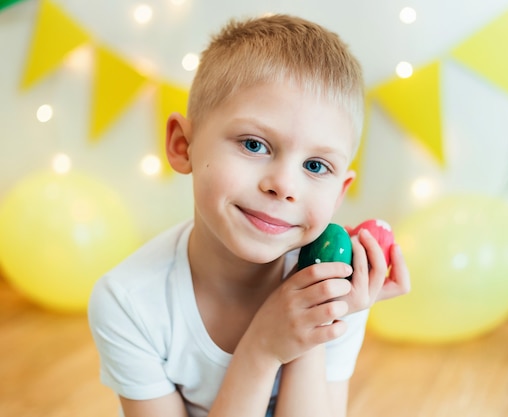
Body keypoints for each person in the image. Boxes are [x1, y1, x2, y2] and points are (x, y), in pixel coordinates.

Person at [88, 13, 410, 417]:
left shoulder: (333, 284)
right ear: (183, 146)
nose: (284, 186)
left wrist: (315, 325)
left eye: (315, 167)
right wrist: (261, 349)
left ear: (340, 193)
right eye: (255, 145)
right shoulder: (129, 303)